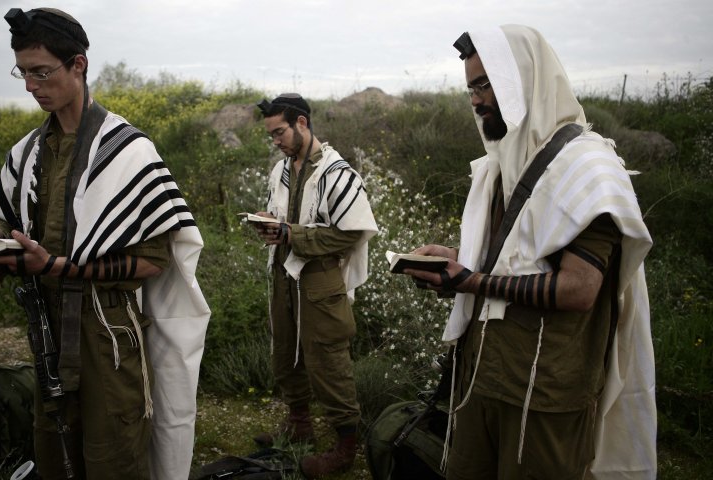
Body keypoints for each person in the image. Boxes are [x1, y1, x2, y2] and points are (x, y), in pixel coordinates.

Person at [0, 8, 210, 480]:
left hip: (107, 335)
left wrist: (61, 268)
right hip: (47, 328)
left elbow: (152, 262)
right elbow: (11, 216)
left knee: (114, 454)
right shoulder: (27, 153)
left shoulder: (129, 151)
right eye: (23, 72)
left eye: (41, 72)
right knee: (55, 448)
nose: (31, 86)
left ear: (79, 65)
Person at [402, 26, 656, 479]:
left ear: (521, 79)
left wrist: (470, 280)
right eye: (470, 88)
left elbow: (579, 289)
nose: (476, 100)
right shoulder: (501, 165)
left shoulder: (588, 169)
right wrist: (454, 259)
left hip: (543, 391)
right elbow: (517, 257)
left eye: (486, 84)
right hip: (480, 375)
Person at [250, 93, 378, 478]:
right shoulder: (281, 170)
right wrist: (267, 224)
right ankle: (299, 423)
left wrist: (293, 235)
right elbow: (283, 216)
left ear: (302, 123)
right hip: (282, 274)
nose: (275, 141)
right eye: (271, 134)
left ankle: (345, 447)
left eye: (280, 132)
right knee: (285, 350)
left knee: (328, 360)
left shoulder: (338, 174)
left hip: (320, 278)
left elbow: (351, 234)